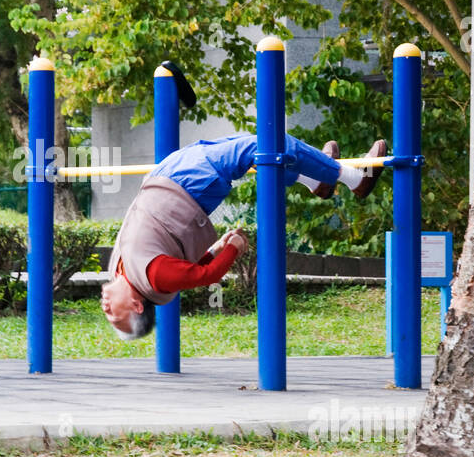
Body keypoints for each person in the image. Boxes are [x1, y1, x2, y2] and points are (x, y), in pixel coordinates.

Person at [100, 133, 387, 340]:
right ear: (137, 306)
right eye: (115, 315)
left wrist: (216, 248)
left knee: (261, 157)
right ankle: (355, 179)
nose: (106, 309)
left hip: (162, 179)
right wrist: (232, 248)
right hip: (187, 186)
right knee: (266, 144)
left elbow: (191, 263)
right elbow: (205, 275)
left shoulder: (120, 271)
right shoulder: (154, 279)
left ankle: (316, 179)